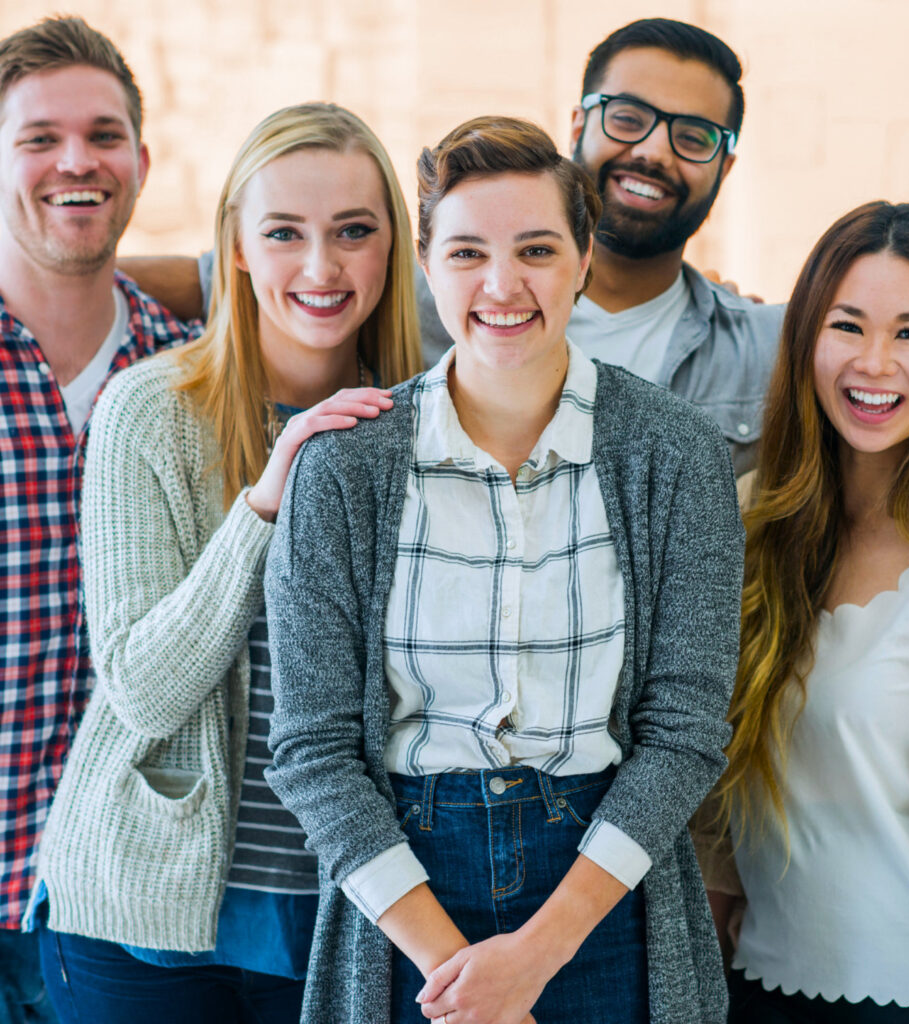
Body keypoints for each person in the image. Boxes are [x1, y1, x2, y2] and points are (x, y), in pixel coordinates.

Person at [264, 115, 744, 1024]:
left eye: (535, 249)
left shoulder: (675, 453)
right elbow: (312, 750)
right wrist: (463, 978)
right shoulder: (345, 466)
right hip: (403, 898)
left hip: (603, 891)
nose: (501, 284)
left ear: (583, 256)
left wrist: (536, 956)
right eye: (467, 252)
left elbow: (684, 732)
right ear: (427, 263)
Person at [31, 101, 420, 1023]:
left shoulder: (427, 424)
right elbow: (144, 692)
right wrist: (264, 502)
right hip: (143, 921)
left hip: (353, 911)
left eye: (353, 232)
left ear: (392, 250)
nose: (321, 268)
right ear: (237, 247)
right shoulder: (150, 412)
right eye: (283, 232)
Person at [120, 18, 785, 474]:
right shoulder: (414, 291)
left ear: (725, 165)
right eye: (628, 118)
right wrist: (45, 273)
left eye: (693, 136)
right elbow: (230, 279)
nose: (651, 151)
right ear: (579, 123)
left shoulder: (759, 349)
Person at [694, 202, 909, 1024]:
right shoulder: (745, 529)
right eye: (848, 325)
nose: (875, 363)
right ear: (805, 337)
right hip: (751, 988)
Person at [0, 16, 195, 1022]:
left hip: (121, 911)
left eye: (103, 134)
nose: (77, 160)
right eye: (38, 137)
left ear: (141, 160)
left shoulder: (191, 375)